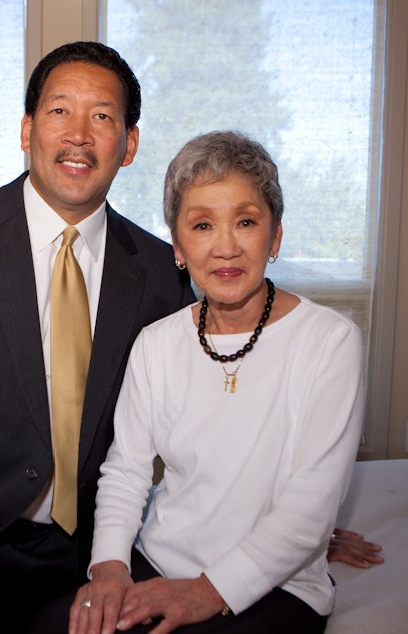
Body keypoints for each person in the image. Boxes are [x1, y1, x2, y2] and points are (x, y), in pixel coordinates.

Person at [0, 42, 379, 634]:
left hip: (74, 543)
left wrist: (295, 530)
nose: (79, 134)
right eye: (60, 111)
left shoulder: (164, 272)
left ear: (128, 144)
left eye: (103, 116)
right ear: (27, 129)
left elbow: (230, 387)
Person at [35, 131, 367, 634]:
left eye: (247, 222)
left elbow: (308, 512)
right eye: (203, 225)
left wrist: (204, 594)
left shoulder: (330, 341)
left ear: (274, 237)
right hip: (159, 563)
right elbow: (125, 471)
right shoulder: (157, 342)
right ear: (179, 246)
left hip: (278, 589)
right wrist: (108, 569)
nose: (226, 246)